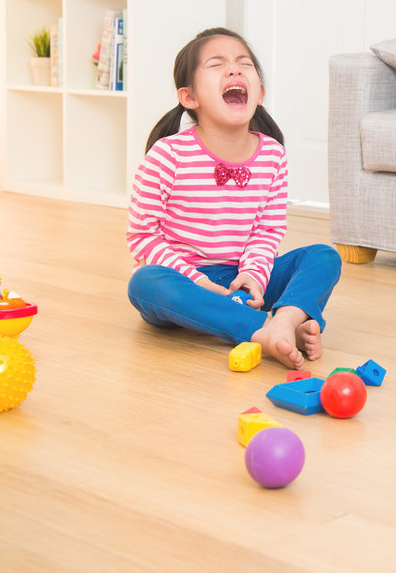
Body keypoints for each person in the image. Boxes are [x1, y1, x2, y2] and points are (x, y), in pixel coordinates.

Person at [125, 27, 342, 370]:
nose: (234, 69)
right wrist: (198, 281)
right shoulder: (167, 155)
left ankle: (285, 320)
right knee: (144, 284)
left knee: (323, 257)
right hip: (185, 285)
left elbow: (267, 232)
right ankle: (263, 330)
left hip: (243, 281)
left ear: (260, 93)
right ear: (189, 97)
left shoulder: (272, 155)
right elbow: (142, 235)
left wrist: (254, 276)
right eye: (216, 64)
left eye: (244, 63)